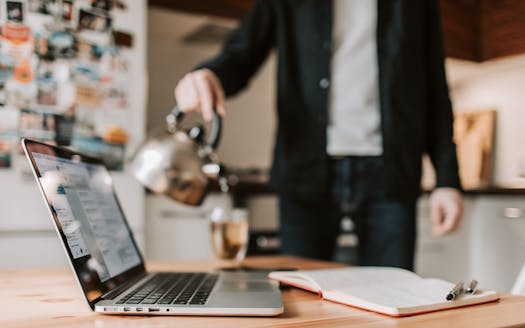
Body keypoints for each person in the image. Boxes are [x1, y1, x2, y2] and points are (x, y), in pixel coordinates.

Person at [174, 0, 463, 270]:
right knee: (302, 299)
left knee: (397, 297)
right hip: (305, 169)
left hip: (391, 172)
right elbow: (243, 51)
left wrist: (447, 179)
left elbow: (435, 86)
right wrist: (209, 74)